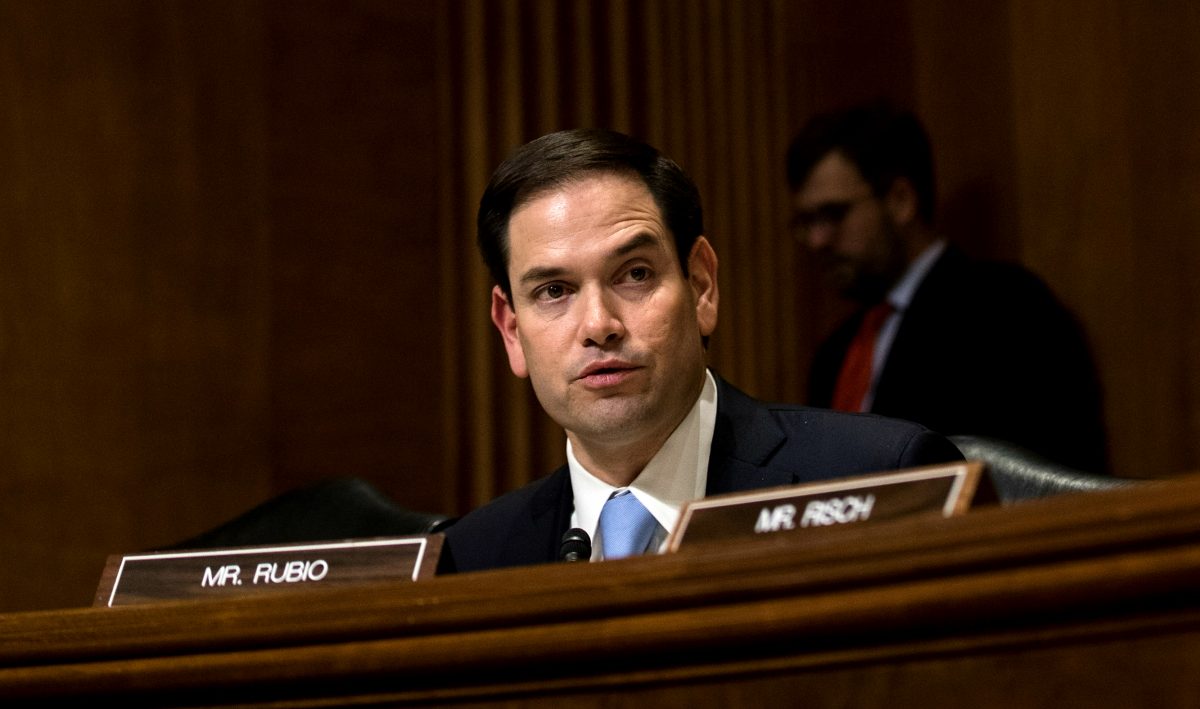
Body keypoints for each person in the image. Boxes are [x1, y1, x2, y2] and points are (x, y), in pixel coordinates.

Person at [440, 128, 963, 574]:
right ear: (512, 330)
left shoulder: (884, 480)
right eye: (554, 291)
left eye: (635, 274)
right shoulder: (474, 556)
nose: (599, 326)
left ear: (701, 285)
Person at [786, 101, 1108, 473]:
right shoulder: (835, 353)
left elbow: (1037, 473)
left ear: (901, 200)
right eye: (805, 222)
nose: (816, 240)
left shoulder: (1004, 309)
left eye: (833, 214)